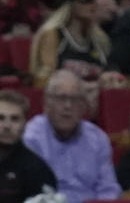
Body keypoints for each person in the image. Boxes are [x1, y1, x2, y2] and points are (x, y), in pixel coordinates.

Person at [22, 70, 120, 203]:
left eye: (74, 99)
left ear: (83, 106)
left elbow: (108, 189)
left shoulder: (98, 139)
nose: (67, 106)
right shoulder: (32, 137)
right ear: (46, 103)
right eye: (61, 98)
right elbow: (30, 191)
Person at [29, 0, 111, 86]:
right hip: (62, 98)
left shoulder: (99, 38)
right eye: (86, 0)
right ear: (69, 5)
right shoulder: (52, 35)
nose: (93, 5)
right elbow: (44, 78)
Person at [0, 89, 58, 203]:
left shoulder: (38, 171)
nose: (7, 126)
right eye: (0, 118)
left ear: (25, 124)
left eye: (15, 119)